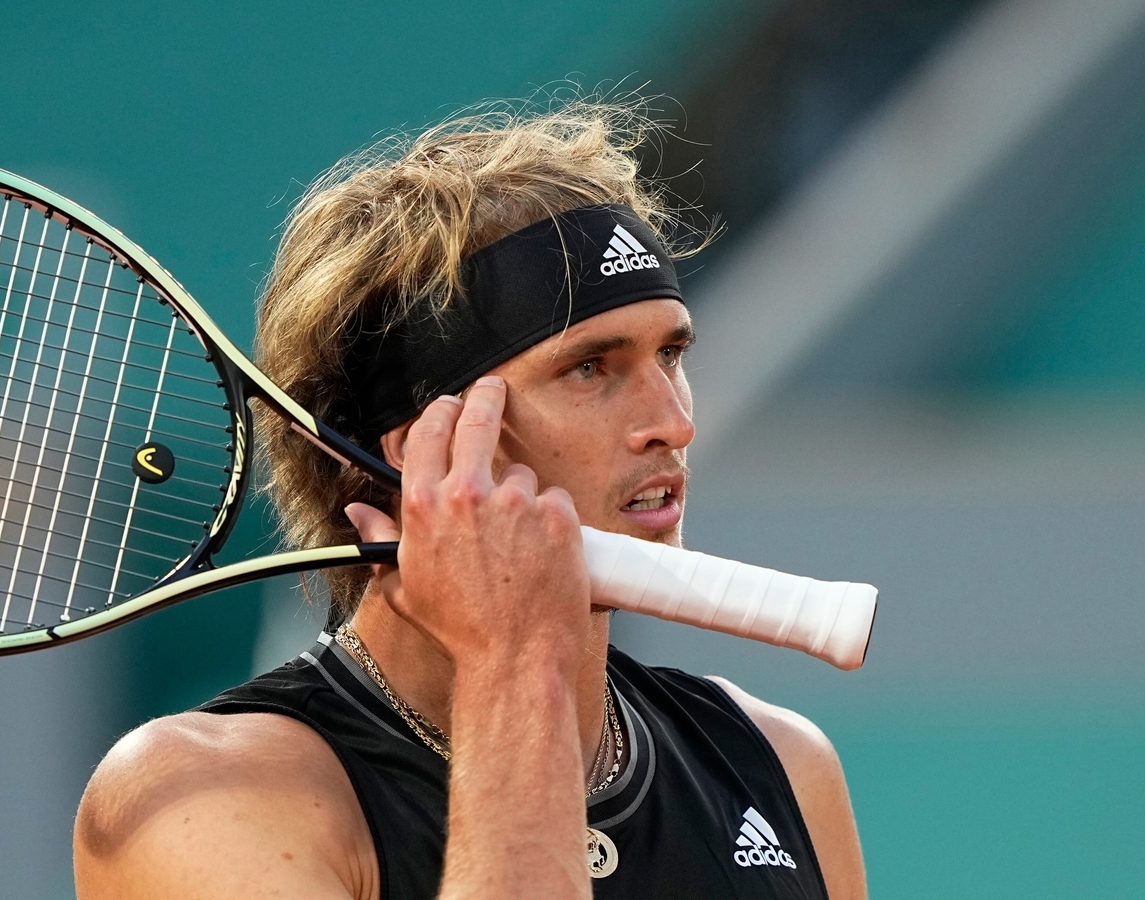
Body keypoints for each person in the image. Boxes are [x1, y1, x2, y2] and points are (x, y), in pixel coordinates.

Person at [73, 101, 866, 899]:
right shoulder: (193, 800)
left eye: (671, 353)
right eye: (591, 368)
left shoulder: (781, 764)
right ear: (422, 450)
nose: (674, 421)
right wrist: (514, 659)